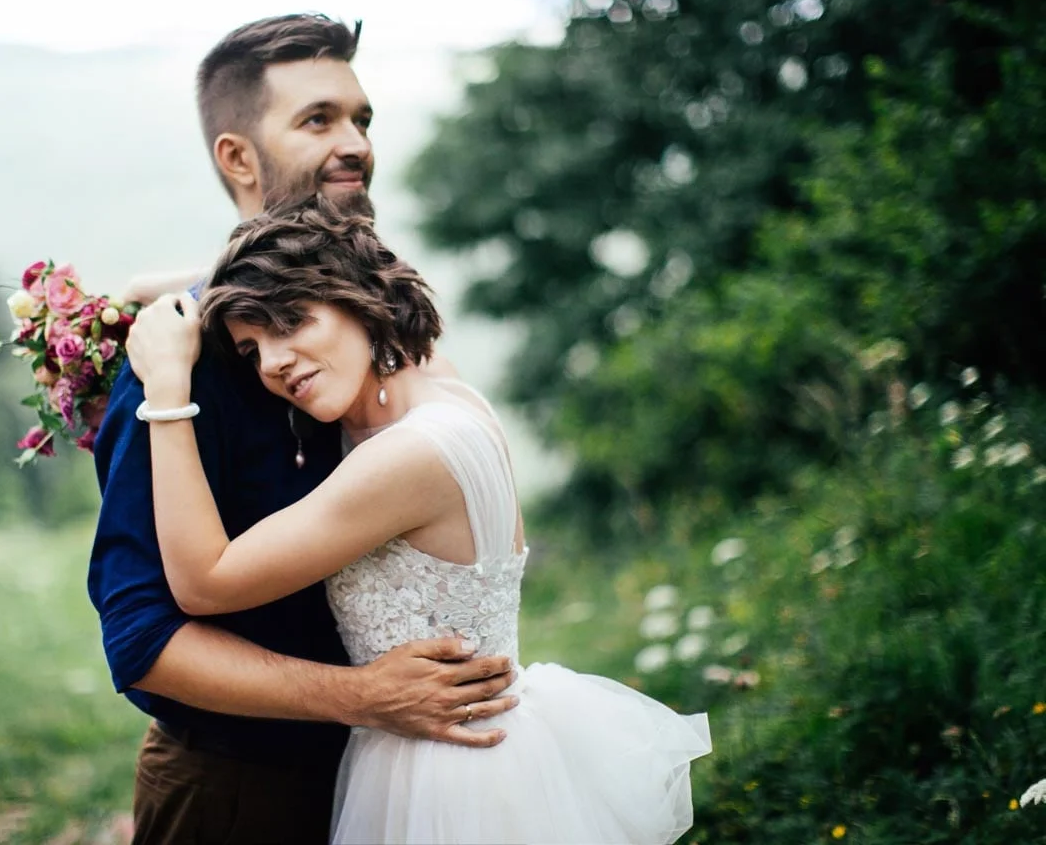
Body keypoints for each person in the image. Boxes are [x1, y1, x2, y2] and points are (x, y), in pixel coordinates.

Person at [123, 197, 714, 844]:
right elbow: (168, 289)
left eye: (290, 319)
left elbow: (204, 582)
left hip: (448, 778)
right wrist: (143, 297)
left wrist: (167, 392)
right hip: (470, 748)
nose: (273, 363)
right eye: (250, 347)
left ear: (355, 295)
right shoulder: (434, 382)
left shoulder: (409, 457)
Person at [88, 14, 517, 845]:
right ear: (239, 158)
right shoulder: (184, 361)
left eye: (361, 119)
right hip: (241, 791)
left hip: (403, 770)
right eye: (318, 120)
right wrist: (361, 698)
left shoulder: (376, 344)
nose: (354, 142)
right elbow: (143, 635)